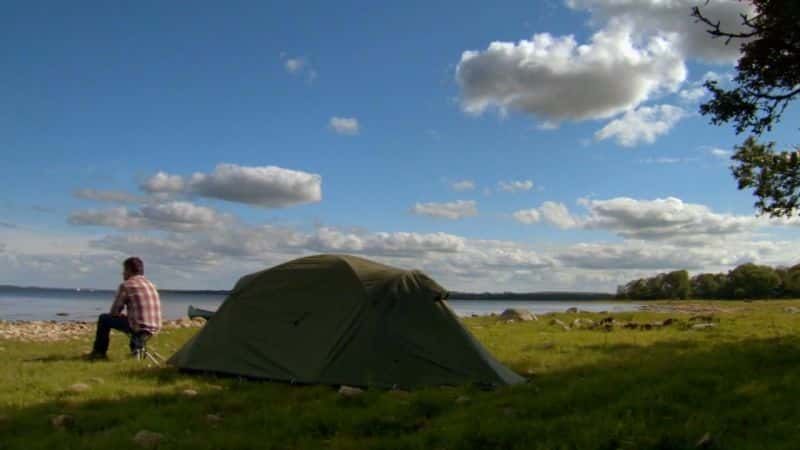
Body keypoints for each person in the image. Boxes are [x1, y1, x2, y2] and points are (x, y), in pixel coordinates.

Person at [85, 257, 162, 360]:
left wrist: (119, 314)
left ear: (129, 270)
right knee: (133, 324)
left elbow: (114, 312)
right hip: (155, 326)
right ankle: (136, 352)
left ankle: (99, 353)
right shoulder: (151, 284)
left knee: (104, 319)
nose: (123, 274)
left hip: (139, 327)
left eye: (124, 270)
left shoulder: (127, 285)